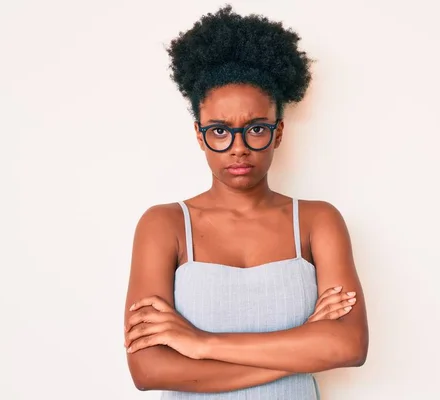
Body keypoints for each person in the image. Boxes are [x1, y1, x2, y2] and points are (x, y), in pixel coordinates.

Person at [123, 5, 368, 399]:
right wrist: (306, 346)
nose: (238, 149)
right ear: (200, 135)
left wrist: (202, 345)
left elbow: (349, 347)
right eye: (220, 131)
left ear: (278, 132)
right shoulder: (164, 224)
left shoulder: (318, 221)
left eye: (256, 128)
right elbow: (149, 369)